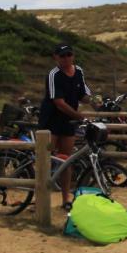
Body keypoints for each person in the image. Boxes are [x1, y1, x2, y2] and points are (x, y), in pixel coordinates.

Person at [40, 44, 93, 209]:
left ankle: (65, 199)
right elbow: (58, 103)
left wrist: (93, 100)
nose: (66, 58)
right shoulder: (54, 75)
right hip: (51, 120)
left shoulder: (78, 71)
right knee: (45, 160)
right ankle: (41, 198)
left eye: (69, 55)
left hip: (69, 122)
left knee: (66, 160)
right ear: (55, 57)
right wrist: (79, 116)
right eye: (62, 56)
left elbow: (83, 94)